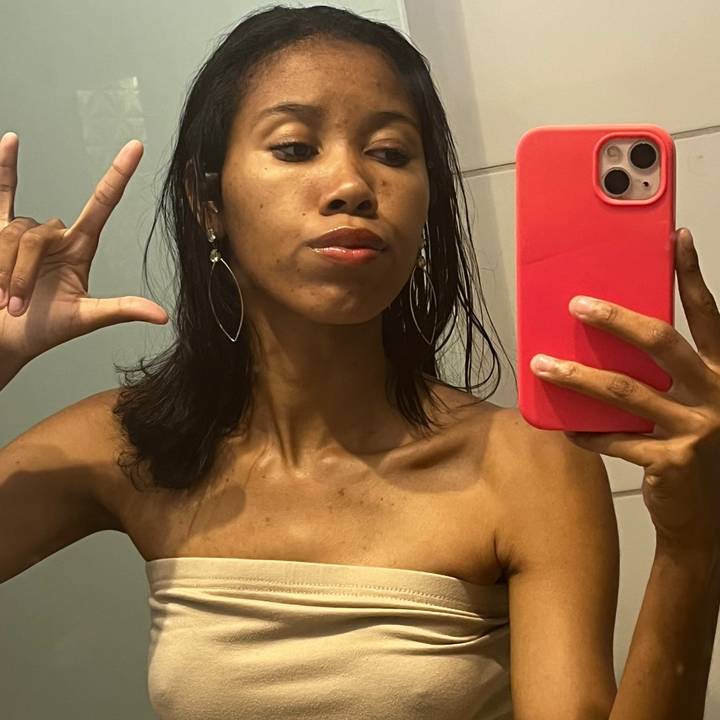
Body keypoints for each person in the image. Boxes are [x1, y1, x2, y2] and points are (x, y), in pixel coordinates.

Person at [2, 5, 719, 720]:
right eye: (294, 148)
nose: (352, 184)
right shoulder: (131, 446)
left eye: (391, 153)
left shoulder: (527, 466)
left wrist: (693, 546)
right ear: (207, 201)